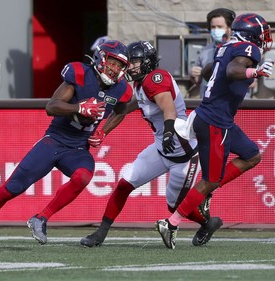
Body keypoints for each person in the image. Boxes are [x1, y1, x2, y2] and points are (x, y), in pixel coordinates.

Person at [0, 39, 133, 250]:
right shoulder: (80, 73)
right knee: (11, 188)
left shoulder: (121, 89)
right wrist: (78, 108)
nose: (115, 69)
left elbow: (121, 111)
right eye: (112, 62)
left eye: (120, 66)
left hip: (77, 148)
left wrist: (103, 131)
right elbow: (51, 106)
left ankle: (41, 218)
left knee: (83, 176)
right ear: (102, 58)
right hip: (54, 141)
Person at [80, 41, 222, 248]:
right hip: (161, 148)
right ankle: (101, 233)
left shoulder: (156, 78)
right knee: (124, 185)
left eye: (135, 62)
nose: (131, 67)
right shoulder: (140, 84)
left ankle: (208, 223)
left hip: (183, 154)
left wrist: (168, 133)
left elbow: (168, 108)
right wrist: (103, 129)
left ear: (147, 62)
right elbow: (130, 107)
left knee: (174, 206)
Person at [156, 13, 273, 249]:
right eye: (262, 33)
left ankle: (206, 194)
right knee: (210, 179)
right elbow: (232, 71)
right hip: (215, 122)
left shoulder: (225, 47)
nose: (265, 38)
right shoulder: (249, 49)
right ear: (252, 34)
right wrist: (253, 73)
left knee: (252, 155)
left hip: (216, 119)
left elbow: (211, 71)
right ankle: (172, 222)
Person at [189, 8, 236, 98]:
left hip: (230, 103)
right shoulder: (205, 50)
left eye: (220, 27)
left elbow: (252, 83)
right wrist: (194, 75)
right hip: (208, 103)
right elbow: (198, 81)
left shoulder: (240, 49)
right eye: (213, 27)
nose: (216, 30)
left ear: (230, 28)